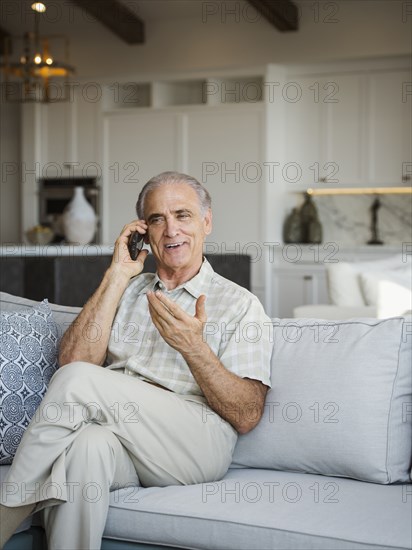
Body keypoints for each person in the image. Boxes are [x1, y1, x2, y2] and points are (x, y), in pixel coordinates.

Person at [0, 171, 273, 550]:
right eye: (157, 219)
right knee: (87, 448)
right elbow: (72, 361)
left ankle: (4, 517)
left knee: (79, 381)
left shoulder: (239, 303)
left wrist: (193, 347)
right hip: (125, 437)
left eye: (183, 215)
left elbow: (246, 414)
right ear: (143, 231)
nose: (171, 230)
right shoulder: (127, 290)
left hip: (196, 440)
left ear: (206, 222)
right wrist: (117, 274)